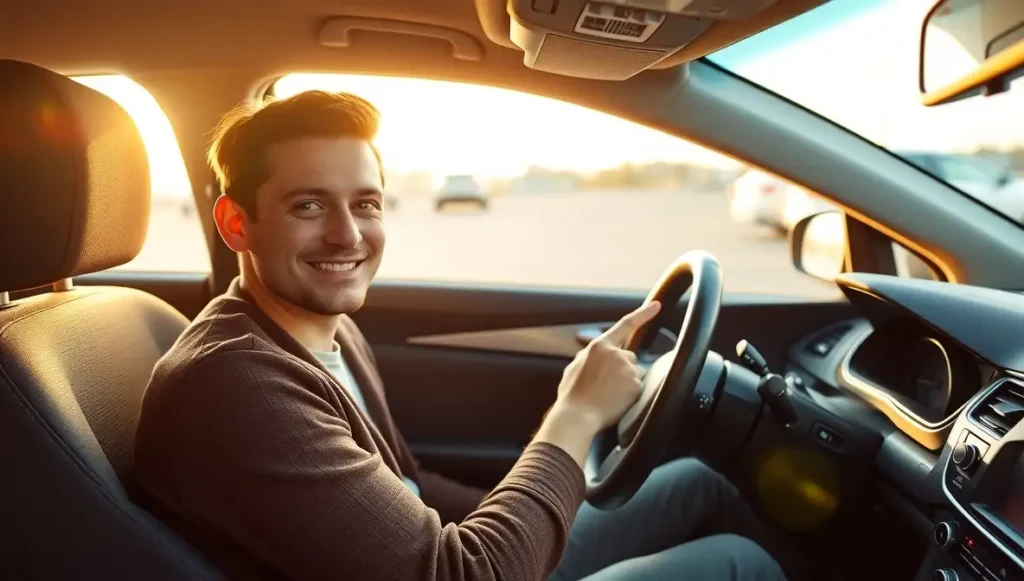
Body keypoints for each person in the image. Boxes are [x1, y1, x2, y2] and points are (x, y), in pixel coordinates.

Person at [134, 90, 799, 581]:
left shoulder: (321, 329)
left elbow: (411, 484)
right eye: (308, 205)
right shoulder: (234, 384)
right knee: (737, 565)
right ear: (235, 224)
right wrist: (575, 414)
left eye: (365, 203)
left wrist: (520, 525)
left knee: (698, 482)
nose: (347, 234)